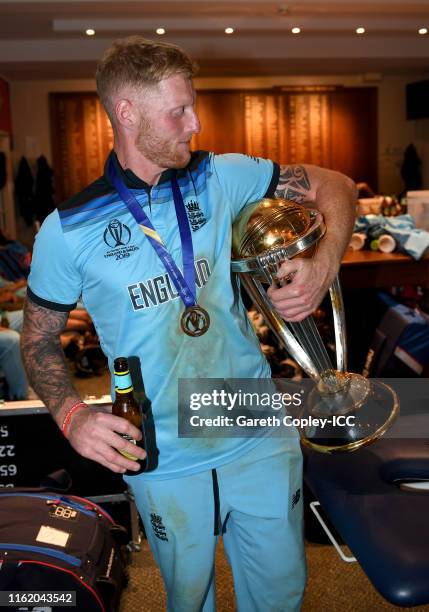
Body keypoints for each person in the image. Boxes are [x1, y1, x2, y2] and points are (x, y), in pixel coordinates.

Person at [21, 36, 356, 611]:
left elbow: (337, 185)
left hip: (255, 426)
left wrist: (324, 265)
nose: (195, 124)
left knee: (281, 592)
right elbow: (38, 339)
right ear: (127, 113)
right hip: (162, 449)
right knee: (187, 598)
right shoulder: (67, 229)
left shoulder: (220, 176)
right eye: (179, 110)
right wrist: (72, 414)